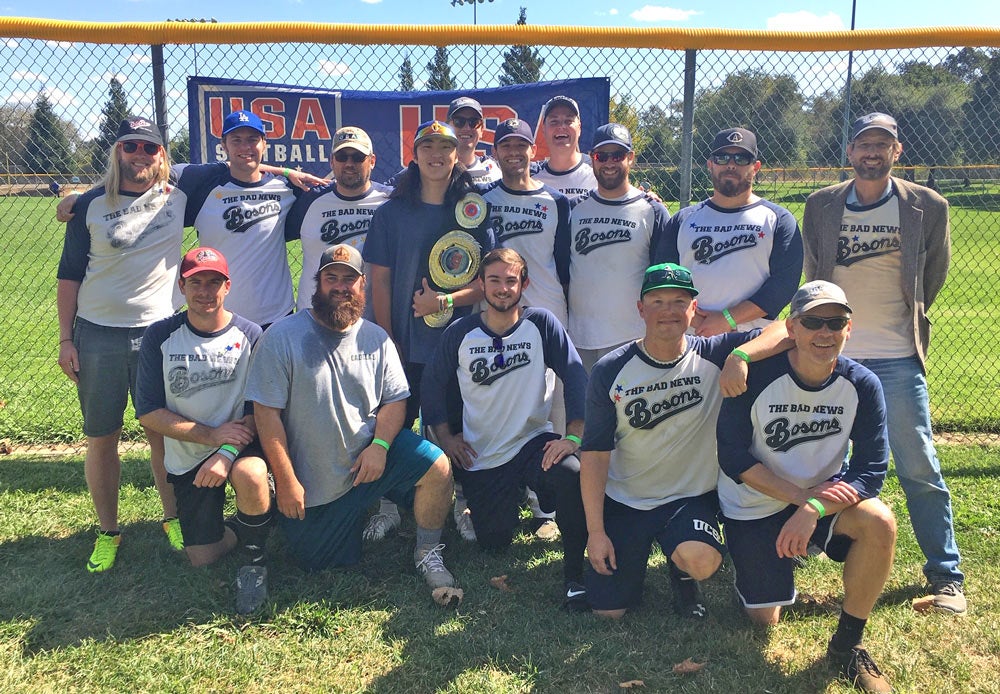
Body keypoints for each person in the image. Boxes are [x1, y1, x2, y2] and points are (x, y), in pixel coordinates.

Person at [802, 112, 965, 614]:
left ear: (897, 151)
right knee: (813, 455)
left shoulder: (926, 205)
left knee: (917, 463)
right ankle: (803, 546)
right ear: (849, 152)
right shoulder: (822, 204)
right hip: (834, 354)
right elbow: (814, 273)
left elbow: (930, 276)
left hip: (896, 357)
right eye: (863, 144)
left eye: (882, 145)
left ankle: (946, 574)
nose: (872, 153)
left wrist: (905, 320)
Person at [580, 262, 787, 620]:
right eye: (657, 301)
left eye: (679, 301)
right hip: (627, 500)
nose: (669, 311)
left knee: (702, 561)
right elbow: (596, 454)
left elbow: (786, 328)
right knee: (607, 612)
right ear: (640, 309)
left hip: (689, 499)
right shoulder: (611, 369)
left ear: (695, 309)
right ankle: (634, 561)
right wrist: (596, 532)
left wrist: (740, 356)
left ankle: (681, 570)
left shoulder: (712, 352)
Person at [246, 244, 458, 593]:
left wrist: (379, 445)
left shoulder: (377, 338)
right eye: (332, 278)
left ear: (363, 287)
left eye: (350, 279)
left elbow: (395, 400)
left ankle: (427, 550)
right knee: (318, 562)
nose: (341, 287)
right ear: (317, 283)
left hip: (368, 461)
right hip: (314, 485)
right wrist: (284, 480)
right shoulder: (281, 337)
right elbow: (266, 415)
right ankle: (337, 519)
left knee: (437, 467)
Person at [717, 280, 896, 693]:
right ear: (791, 329)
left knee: (880, 522)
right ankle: (759, 563)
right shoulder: (756, 378)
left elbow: (871, 470)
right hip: (756, 502)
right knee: (764, 617)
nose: (825, 333)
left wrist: (812, 510)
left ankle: (847, 645)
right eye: (813, 322)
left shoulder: (862, 384)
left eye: (836, 323)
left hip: (820, 502)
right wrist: (801, 500)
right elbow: (733, 458)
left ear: (849, 329)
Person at [421, 248, 590, 610]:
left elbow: (575, 375)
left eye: (510, 281)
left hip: (532, 442)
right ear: (480, 285)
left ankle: (576, 573)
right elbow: (432, 385)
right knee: (495, 541)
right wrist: (447, 437)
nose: (502, 288)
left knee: (570, 474)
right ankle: (505, 500)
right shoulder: (461, 333)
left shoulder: (541, 324)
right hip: (484, 454)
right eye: (494, 280)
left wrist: (573, 437)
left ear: (523, 285)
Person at [56, 116, 187, 572]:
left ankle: (174, 518)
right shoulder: (90, 204)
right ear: (118, 152)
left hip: (158, 334)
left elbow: (244, 167)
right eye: (131, 146)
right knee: (102, 436)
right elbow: (69, 275)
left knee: (162, 433)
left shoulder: (179, 195)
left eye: (149, 148)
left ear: (162, 157)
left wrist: (290, 173)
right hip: (98, 335)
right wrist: (66, 339)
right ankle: (108, 531)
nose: (140, 155)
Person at [56, 109, 323, 329]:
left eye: (253, 139)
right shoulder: (200, 184)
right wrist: (81, 195)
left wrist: (286, 171)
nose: (245, 147)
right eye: (236, 140)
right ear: (223, 147)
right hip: (218, 316)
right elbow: (134, 175)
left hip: (276, 315)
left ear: (265, 143)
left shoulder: (287, 190)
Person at [363, 120, 496, 542]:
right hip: (403, 343)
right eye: (428, 146)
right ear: (414, 154)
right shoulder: (391, 212)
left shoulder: (472, 210)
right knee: (397, 425)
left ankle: (461, 500)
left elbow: (488, 282)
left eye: (445, 146)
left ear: (457, 155)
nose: (436, 154)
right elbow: (379, 280)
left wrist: (445, 302)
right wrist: (389, 340)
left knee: (458, 426)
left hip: (458, 345)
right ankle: (388, 503)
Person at [135, 247, 272, 614]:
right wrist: (210, 437)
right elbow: (148, 412)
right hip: (191, 451)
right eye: (196, 282)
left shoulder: (250, 334)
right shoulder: (159, 337)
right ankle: (250, 523)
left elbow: (258, 408)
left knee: (253, 473)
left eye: (214, 282)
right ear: (182, 286)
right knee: (202, 557)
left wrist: (225, 453)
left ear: (228, 286)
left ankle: (254, 563)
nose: (205, 292)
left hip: (239, 446)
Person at [483, 117, 573, 537]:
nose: (515, 153)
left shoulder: (557, 202)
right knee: (502, 397)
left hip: (547, 310)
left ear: (532, 152)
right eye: (506, 146)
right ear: (496, 153)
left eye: (521, 146)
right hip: (499, 314)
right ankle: (499, 485)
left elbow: (564, 263)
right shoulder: (481, 200)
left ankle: (547, 507)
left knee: (551, 404)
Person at [656, 127, 802, 336]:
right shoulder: (683, 220)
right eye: (722, 158)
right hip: (693, 336)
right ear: (710, 165)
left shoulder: (778, 220)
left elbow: (783, 286)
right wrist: (697, 320)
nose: (731, 165)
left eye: (742, 158)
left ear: (756, 167)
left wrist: (727, 318)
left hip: (753, 340)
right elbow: (663, 278)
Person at [567, 123, 670, 373]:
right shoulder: (574, 208)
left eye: (618, 155)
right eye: (602, 156)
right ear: (592, 160)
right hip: (580, 336)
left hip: (632, 335)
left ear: (631, 158)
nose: (609, 163)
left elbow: (661, 279)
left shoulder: (652, 210)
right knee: (585, 410)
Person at [284, 125, 391, 311]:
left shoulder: (389, 201)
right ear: (332, 161)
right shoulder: (309, 199)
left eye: (358, 157)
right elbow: (244, 170)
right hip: (313, 317)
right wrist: (286, 172)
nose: (349, 163)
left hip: (368, 321)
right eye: (342, 157)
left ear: (372, 161)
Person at [533, 95, 597, 204]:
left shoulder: (597, 172)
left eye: (568, 121)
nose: (561, 126)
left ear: (579, 128)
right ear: (543, 129)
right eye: (554, 121)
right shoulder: (532, 178)